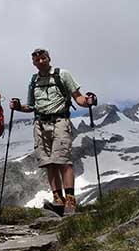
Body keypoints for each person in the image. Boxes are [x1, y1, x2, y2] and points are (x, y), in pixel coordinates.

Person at [10, 48, 96, 215]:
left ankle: (70, 201)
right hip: (40, 124)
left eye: (43, 58)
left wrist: (88, 101)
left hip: (60, 121)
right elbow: (31, 106)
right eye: (37, 60)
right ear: (33, 63)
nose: (41, 61)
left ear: (49, 58)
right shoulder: (33, 80)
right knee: (49, 163)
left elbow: (77, 97)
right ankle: (58, 200)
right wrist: (19, 107)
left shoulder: (62, 74)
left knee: (63, 160)